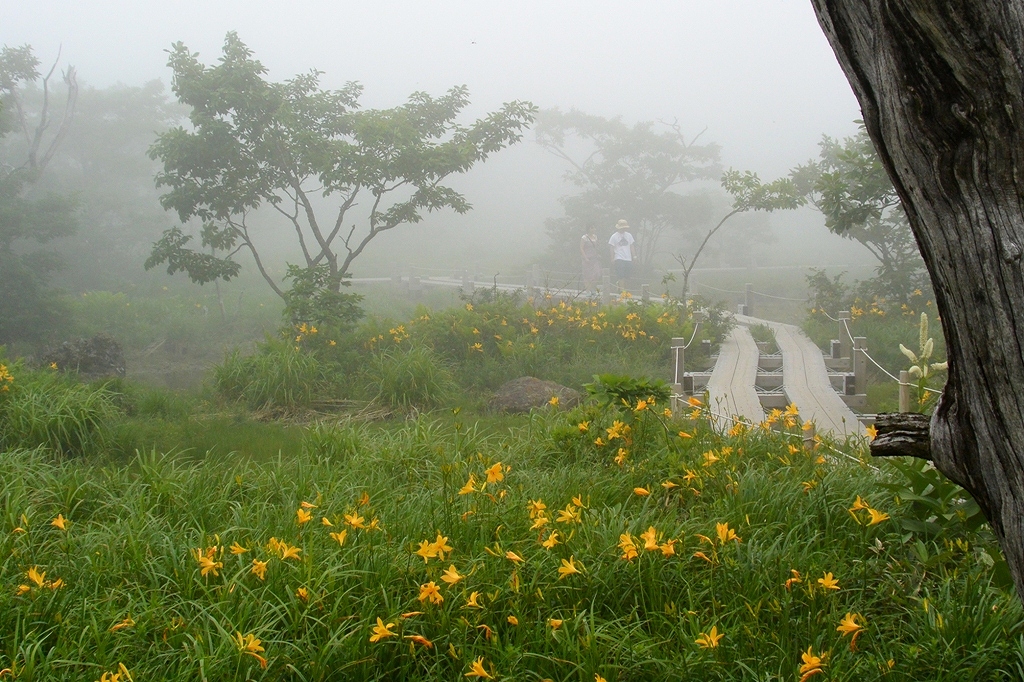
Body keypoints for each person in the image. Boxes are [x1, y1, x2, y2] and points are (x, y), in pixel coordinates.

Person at [608, 219, 635, 289]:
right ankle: (623, 290)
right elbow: (611, 247)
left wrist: (634, 256)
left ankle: (623, 287)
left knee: (627, 275)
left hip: (628, 258)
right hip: (619, 257)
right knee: (621, 274)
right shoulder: (614, 236)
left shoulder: (629, 235)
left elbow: (632, 246)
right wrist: (612, 258)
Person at [580, 225, 602, 293]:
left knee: (597, 274)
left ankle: (592, 288)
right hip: (587, 259)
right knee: (587, 275)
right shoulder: (584, 238)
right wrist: (585, 258)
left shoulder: (595, 237)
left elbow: (596, 247)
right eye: (592, 227)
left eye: (594, 227)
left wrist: (598, 254)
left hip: (594, 259)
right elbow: (581, 248)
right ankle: (588, 291)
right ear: (588, 229)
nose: (593, 229)